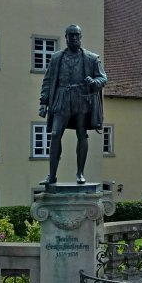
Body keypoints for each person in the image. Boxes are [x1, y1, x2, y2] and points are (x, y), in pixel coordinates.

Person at [39, 24, 107, 185]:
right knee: (55, 134)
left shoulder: (91, 58)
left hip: (81, 98)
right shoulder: (56, 58)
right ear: (66, 37)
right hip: (61, 97)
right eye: (71, 35)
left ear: (80, 37)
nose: (74, 38)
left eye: (77, 35)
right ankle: (52, 175)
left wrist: (94, 82)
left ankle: (80, 173)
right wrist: (43, 102)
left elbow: (103, 78)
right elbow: (48, 81)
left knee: (82, 134)